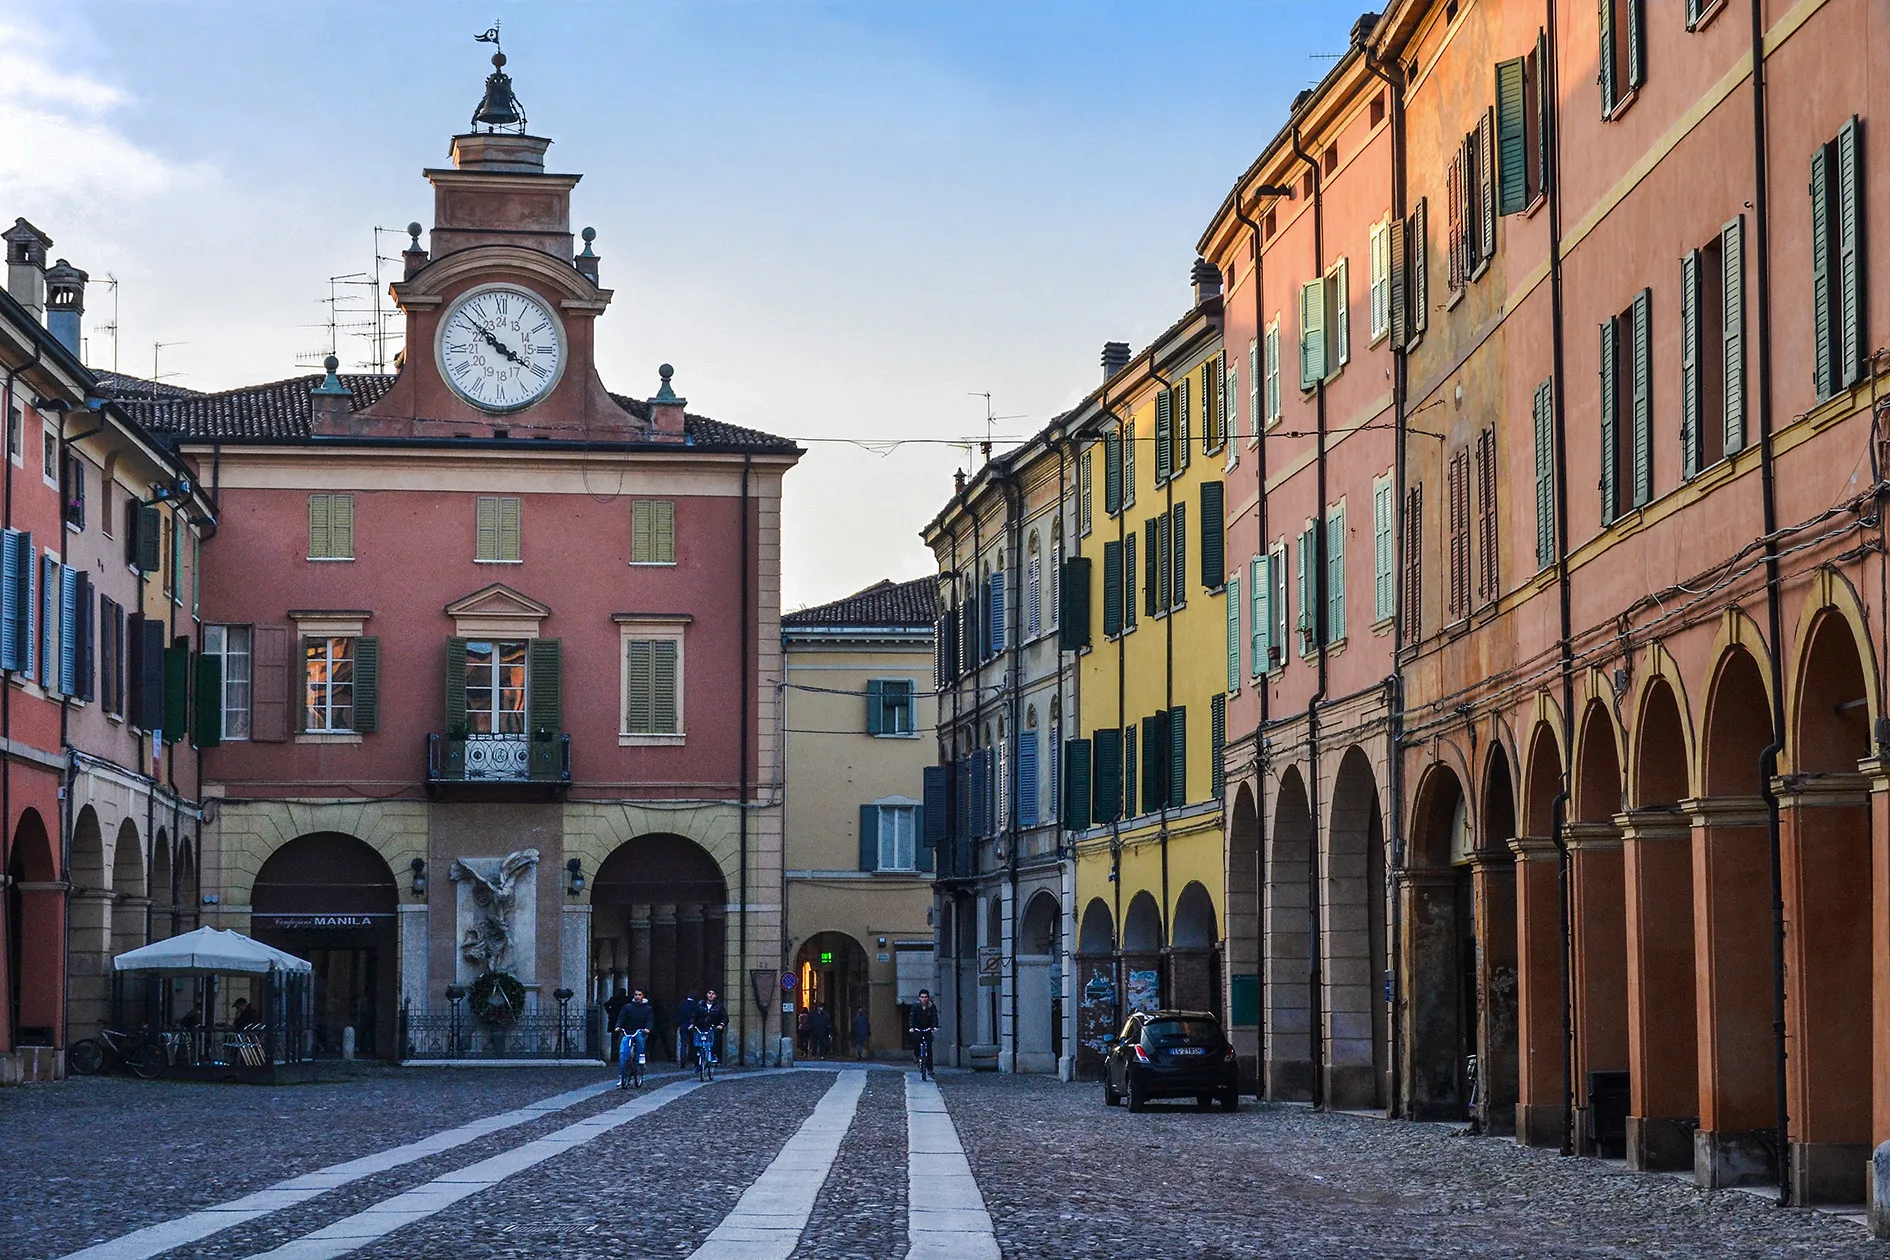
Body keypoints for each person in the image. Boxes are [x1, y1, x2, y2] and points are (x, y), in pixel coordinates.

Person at [613, 989, 653, 1088]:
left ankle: (641, 1058)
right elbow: (621, 1017)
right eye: (635, 995)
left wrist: (647, 1028)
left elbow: (650, 1020)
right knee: (623, 1052)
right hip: (628, 1031)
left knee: (640, 1040)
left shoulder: (647, 1008)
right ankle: (622, 1076)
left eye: (639, 995)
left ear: (643, 996)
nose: (637, 997)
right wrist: (618, 1026)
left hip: (640, 1031)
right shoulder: (627, 1007)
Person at [692, 988, 727, 1065]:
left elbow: (725, 1017)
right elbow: (694, 1015)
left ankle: (713, 1055)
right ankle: (697, 1062)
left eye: (713, 993)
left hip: (712, 1027)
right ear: (706, 995)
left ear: (715, 996)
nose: (711, 995)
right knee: (697, 1044)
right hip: (700, 1027)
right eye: (709, 993)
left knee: (714, 1042)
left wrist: (721, 1024)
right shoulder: (700, 1004)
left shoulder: (719, 1006)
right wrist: (692, 1024)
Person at [908, 989, 939, 1069]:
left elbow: (934, 1017)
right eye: (922, 997)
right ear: (919, 998)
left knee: (929, 1048)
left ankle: (930, 1068)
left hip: (927, 1028)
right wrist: (911, 1027)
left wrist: (934, 1026)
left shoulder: (931, 1006)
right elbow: (912, 1016)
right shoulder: (916, 1006)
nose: (924, 999)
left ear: (928, 998)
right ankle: (917, 1055)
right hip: (918, 1027)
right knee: (916, 1041)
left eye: (925, 997)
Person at [674, 991, 699, 1064]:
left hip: (683, 1025)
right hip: (691, 1026)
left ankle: (682, 1061)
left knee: (683, 1044)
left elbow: (677, 1014)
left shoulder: (682, 1004)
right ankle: (694, 1060)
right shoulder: (695, 1005)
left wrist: (679, 1024)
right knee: (694, 1043)